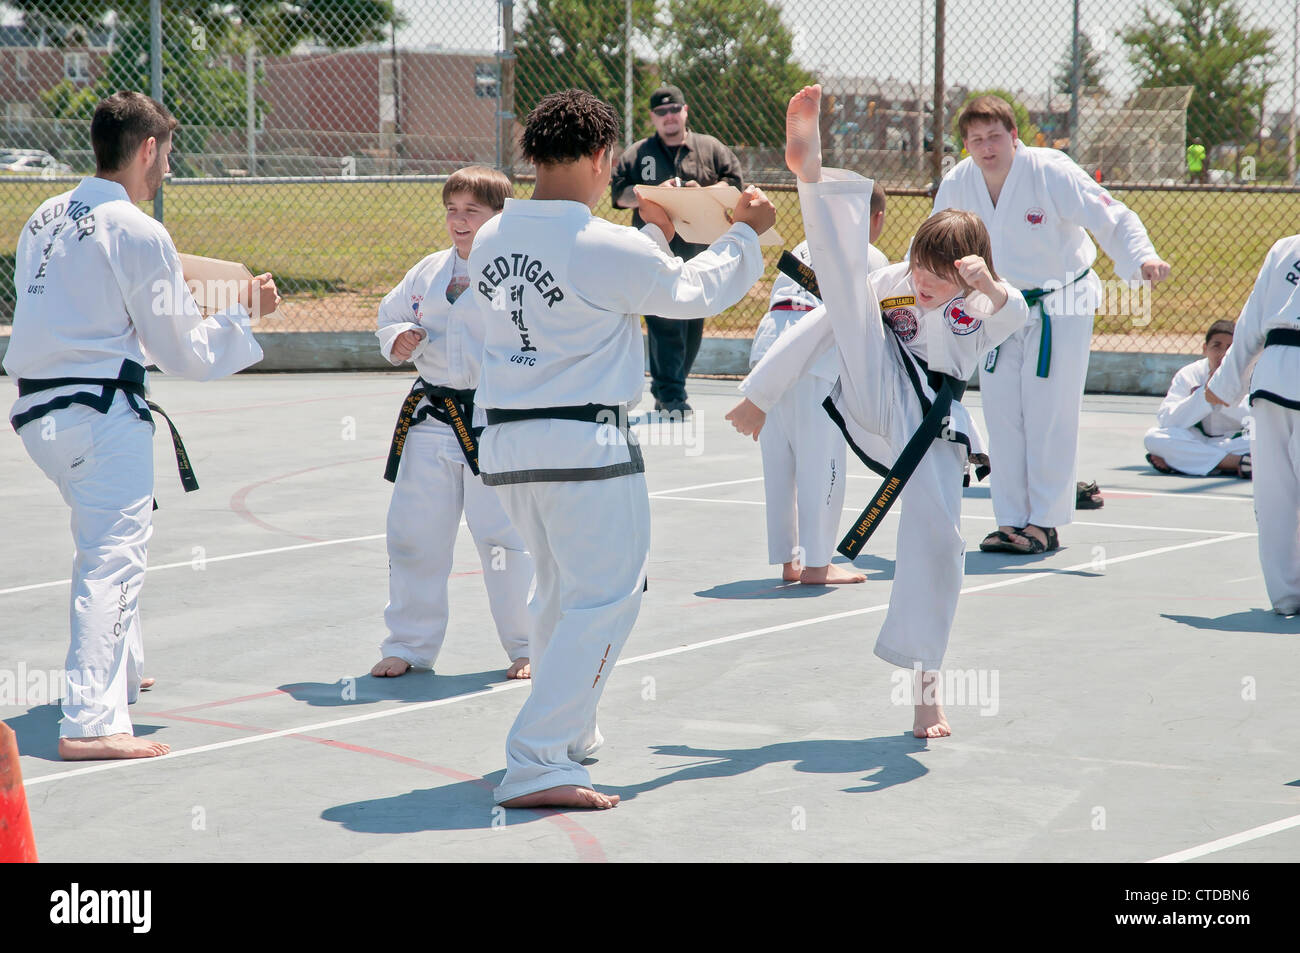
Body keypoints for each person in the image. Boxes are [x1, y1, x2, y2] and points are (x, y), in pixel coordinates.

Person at [452, 88, 774, 809]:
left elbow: (603, 287)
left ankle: (569, 734)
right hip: (585, 443)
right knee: (606, 597)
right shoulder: (601, 243)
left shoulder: (495, 236)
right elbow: (689, 292)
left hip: (505, 440)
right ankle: (537, 755)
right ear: (603, 159)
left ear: (531, 154)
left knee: (560, 591)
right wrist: (747, 233)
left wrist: (653, 235)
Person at [727, 85, 1029, 738]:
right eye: (920, 267)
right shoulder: (893, 280)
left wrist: (990, 285)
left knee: (939, 547)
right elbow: (825, 325)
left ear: (967, 279)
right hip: (878, 389)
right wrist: (761, 395)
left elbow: (1016, 313)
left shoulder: (979, 304)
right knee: (845, 292)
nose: (922, 283)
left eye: (938, 277)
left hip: (934, 432)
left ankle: (927, 693)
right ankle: (810, 173)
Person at [5, 91, 277, 760]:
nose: (167, 170)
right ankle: (93, 720)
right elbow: (181, 350)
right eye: (167, 156)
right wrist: (243, 317)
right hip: (98, 414)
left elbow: (109, 322)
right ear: (148, 149)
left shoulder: (42, 217)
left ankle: (119, 669)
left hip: (38, 412)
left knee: (103, 540)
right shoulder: (137, 229)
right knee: (112, 555)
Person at [932, 95, 1172, 556]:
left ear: (1014, 136)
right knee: (1002, 412)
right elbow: (933, 238)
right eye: (976, 139)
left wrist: (1141, 257)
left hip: (1062, 302)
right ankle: (1010, 521)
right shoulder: (959, 182)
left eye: (995, 137)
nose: (987, 148)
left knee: (1049, 412)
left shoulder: (1050, 171)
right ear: (965, 144)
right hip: (997, 304)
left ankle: (1044, 523)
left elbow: (1112, 215)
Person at [371, 166, 534, 681]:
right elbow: (389, 313)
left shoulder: (516, 275)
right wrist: (396, 336)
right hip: (432, 417)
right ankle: (409, 645)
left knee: (504, 539)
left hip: (494, 421)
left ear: (500, 217)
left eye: (472, 211)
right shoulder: (427, 272)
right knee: (413, 534)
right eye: (452, 210)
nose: (459, 221)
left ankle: (528, 645)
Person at [749, 182, 887, 585]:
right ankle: (817, 564)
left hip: (768, 351)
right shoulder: (868, 253)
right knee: (821, 460)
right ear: (874, 219)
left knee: (780, 460)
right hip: (815, 358)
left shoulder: (804, 244)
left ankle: (789, 562)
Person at [611, 84, 744, 416]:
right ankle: (672, 395)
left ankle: (668, 386)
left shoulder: (710, 148)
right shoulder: (639, 153)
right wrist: (653, 194)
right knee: (664, 322)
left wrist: (706, 191)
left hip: (698, 250)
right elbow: (618, 194)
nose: (669, 117)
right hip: (653, 250)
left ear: (685, 111)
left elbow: (735, 183)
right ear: (653, 117)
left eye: (674, 110)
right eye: (661, 112)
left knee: (692, 325)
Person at [1205, 234, 1300, 616]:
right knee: (1275, 495)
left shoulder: (1286, 248)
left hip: (1273, 378)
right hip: (1275, 374)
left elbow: (1249, 324)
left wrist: (1227, 382)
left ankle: (1286, 595)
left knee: (1274, 496)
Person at [1144, 320, 1251, 477]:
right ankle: (1238, 463)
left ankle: (1184, 461)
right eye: (1216, 346)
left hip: (1237, 441)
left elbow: (1255, 418)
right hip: (1196, 440)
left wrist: (1223, 394)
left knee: (1267, 441)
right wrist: (1204, 395)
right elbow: (1167, 419)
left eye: (1229, 348)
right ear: (1205, 349)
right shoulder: (1189, 374)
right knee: (1153, 438)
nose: (1222, 354)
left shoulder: (1250, 373)